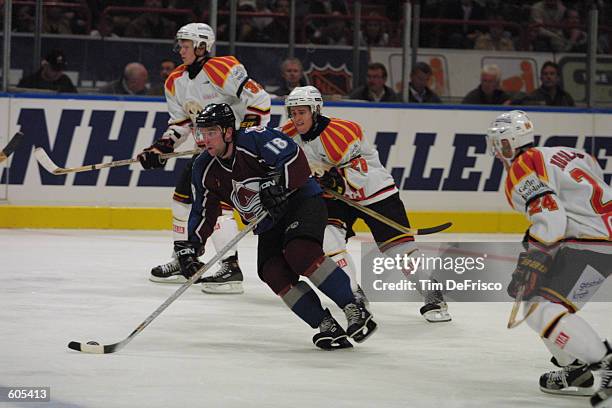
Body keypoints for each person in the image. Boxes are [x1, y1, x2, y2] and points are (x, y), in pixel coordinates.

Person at [174, 103, 377, 350]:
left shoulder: (255, 139)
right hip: (269, 220)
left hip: (300, 202)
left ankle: (353, 307)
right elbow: (204, 210)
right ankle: (325, 324)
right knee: (272, 272)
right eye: (201, 133)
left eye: (211, 132)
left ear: (228, 132)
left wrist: (279, 184)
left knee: (300, 252)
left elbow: (293, 157)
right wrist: (191, 246)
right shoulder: (203, 167)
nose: (204, 139)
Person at [281, 86, 452, 323]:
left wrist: (332, 179)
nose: (296, 118)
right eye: (293, 112)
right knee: (328, 236)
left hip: (374, 192)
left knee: (398, 250)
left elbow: (359, 173)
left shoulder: (340, 133)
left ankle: (432, 294)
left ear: (316, 110)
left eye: (302, 112)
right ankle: (354, 295)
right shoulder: (289, 132)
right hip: (336, 198)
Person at [486, 110, 611, 407]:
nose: (495, 148)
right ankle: (575, 371)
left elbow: (551, 219)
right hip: (597, 237)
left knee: (539, 308)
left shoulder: (521, 165)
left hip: (591, 242)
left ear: (507, 142)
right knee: (534, 298)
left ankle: (604, 361)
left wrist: (534, 258)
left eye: (497, 141)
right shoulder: (567, 152)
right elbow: (577, 199)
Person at [137, 23, 271, 294]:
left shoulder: (222, 68)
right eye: (180, 44)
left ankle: (230, 268)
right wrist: (160, 148)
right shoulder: (175, 80)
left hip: (232, 153)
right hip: (207, 153)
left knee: (217, 207)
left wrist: (242, 140)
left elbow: (259, 101)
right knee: (181, 202)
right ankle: (184, 257)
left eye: (185, 45)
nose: (180, 50)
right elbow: (181, 124)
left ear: (201, 46)